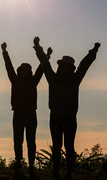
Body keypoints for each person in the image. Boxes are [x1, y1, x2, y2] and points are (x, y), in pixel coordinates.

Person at [33, 37, 100, 180]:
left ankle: (68, 173)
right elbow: (44, 63)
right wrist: (38, 47)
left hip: (68, 118)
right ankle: (57, 173)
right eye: (62, 66)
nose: (63, 68)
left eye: (65, 66)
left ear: (69, 68)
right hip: (58, 117)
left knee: (69, 147)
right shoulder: (58, 79)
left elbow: (84, 65)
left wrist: (93, 51)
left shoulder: (71, 80)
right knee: (57, 147)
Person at [1, 42, 52, 174]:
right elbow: (9, 67)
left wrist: (47, 56)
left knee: (30, 141)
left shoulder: (33, 81)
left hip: (30, 115)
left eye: (26, 71)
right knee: (18, 140)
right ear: (19, 72)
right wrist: (4, 52)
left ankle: (30, 164)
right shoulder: (15, 80)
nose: (24, 72)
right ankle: (19, 162)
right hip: (18, 114)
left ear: (29, 72)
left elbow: (41, 69)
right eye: (22, 70)